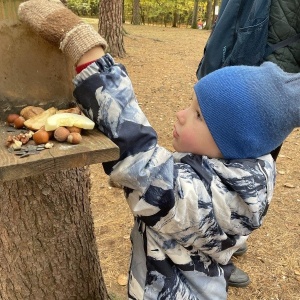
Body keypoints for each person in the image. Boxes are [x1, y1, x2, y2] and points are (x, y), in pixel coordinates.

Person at [18, 1, 300, 299]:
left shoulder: (225, 199)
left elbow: (145, 170)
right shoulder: (240, 161)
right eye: (190, 106)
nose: (180, 115)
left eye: (199, 115)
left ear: (234, 142)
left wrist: (89, 54)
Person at [196, 0, 300, 288]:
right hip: (261, 89)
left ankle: (226, 242)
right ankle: (215, 258)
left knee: (237, 178)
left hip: (253, 81)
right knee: (229, 181)